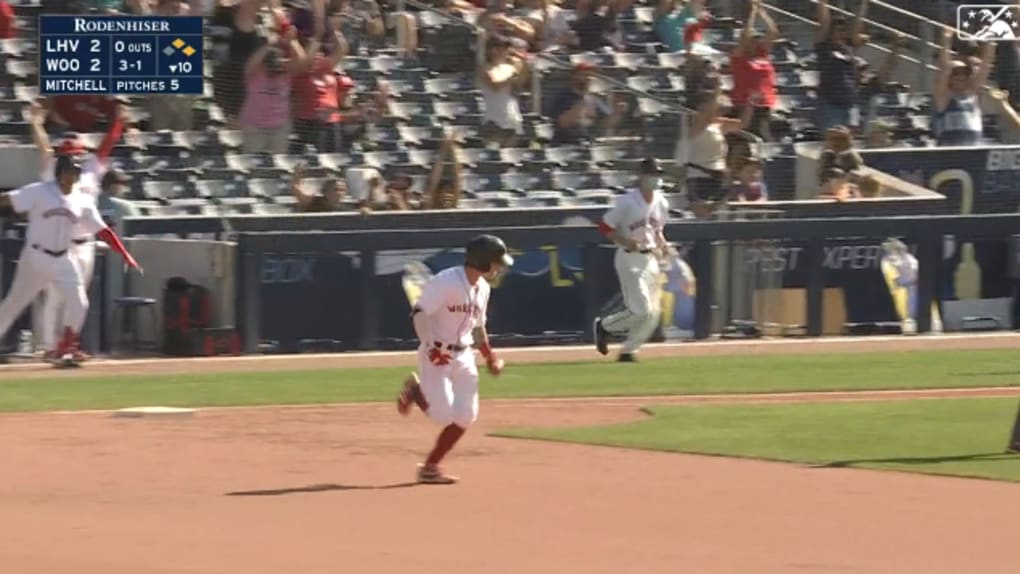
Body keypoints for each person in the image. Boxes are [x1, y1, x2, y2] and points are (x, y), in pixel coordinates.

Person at [0, 154, 141, 367]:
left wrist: (125, 254)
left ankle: (65, 348)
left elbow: (103, 230)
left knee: (80, 302)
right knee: (14, 304)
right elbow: (8, 200)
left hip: (64, 258)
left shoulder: (82, 199)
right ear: (60, 172)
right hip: (35, 257)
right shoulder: (39, 190)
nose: (74, 175)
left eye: (76, 171)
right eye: (70, 171)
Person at [395, 234, 513, 484]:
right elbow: (419, 313)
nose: (499, 267)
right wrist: (430, 347)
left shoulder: (483, 288)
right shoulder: (446, 281)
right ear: (482, 261)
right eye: (496, 262)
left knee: (466, 416)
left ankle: (430, 467)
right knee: (442, 417)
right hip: (437, 353)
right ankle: (417, 391)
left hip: (464, 354)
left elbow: (478, 328)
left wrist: (490, 357)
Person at [29, 100, 126, 361]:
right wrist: (36, 122)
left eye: (78, 152)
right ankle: (49, 346)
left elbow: (107, 145)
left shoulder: (92, 168)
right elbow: (43, 147)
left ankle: (68, 345)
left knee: (78, 298)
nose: (75, 155)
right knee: (55, 296)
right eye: (70, 152)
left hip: (87, 244)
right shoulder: (54, 170)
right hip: (60, 243)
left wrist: (119, 120)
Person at [592, 158, 671, 362]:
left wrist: (664, 246)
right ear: (642, 176)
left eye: (658, 174)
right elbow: (604, 227)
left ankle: (628, 350)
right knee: (641, 310)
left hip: (650, 258)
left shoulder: (661, 202)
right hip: (629, 259)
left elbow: (658, 230)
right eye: (652, 174)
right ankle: (604, 326)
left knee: (653, 314)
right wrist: (624, 241)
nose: (656, 178)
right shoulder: (627, 201)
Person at [933, 28, 994, 147]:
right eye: (955, 73)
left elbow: (986, 66)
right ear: (949, 77)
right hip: (950, 154)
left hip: (973, 153)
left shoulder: (974, 96)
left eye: (964, 73)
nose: (960, 76)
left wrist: (990, 41)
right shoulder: (944, 99)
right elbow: (944, 69)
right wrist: (946, 40)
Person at [813, 0, 868, 130]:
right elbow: (824, 23)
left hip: (849, 103)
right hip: (830, 104)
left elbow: (857, 26)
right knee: (832, 139)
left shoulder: (847, 48)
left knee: (850, 141)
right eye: (838, 29)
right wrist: (823, 4)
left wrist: (863, 5)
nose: (841, 32)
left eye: (843, 30)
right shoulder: (825, 47)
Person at [730, 0, 778, 140]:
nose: (756, 42)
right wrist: (752, 13)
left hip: (765, 105)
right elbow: (744, 36)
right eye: (753, 39)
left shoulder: (762, 53)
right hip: (744, 105)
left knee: (764, 139)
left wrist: (761, 10)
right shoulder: (739, 58)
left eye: (757, 39)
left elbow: (773, 32)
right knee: (747, 139)